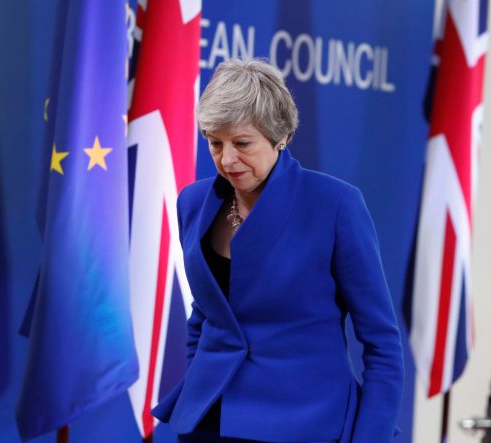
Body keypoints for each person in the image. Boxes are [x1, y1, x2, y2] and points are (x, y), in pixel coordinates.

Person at [152, 59, 404, 443]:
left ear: (280, 136)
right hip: (207, 421)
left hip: (304, 425)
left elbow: (382, 344)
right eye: (214, 143)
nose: (227, 159)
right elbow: (205, 315)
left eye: (242, 143)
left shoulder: (335, 205)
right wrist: (196, 384)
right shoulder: (193, 201)